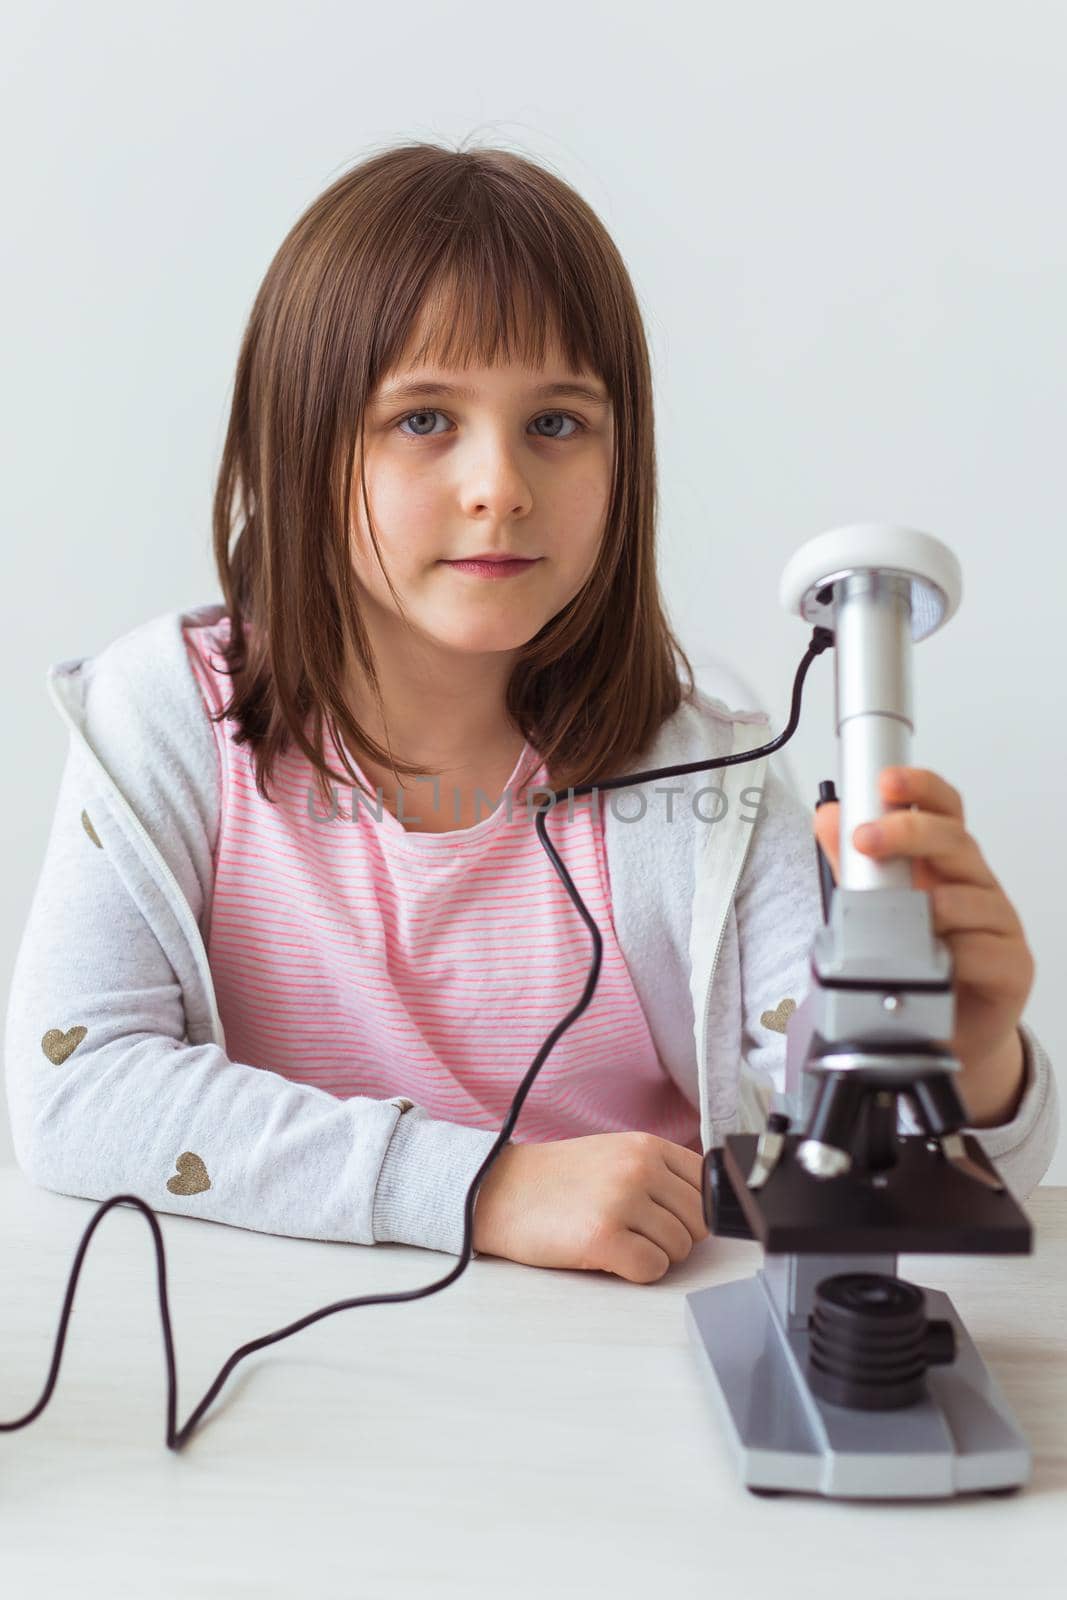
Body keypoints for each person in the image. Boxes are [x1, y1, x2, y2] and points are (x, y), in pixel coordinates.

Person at [4, 142, 1059, 1287]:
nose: (498, 483)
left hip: (610, 1382)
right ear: (299, 447)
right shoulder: (165, 715)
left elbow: (848, 1163)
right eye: (421, 421)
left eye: (555, 423)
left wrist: (974, 1057)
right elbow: (75, 1091)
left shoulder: (703, 768)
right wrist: (482, 1183)